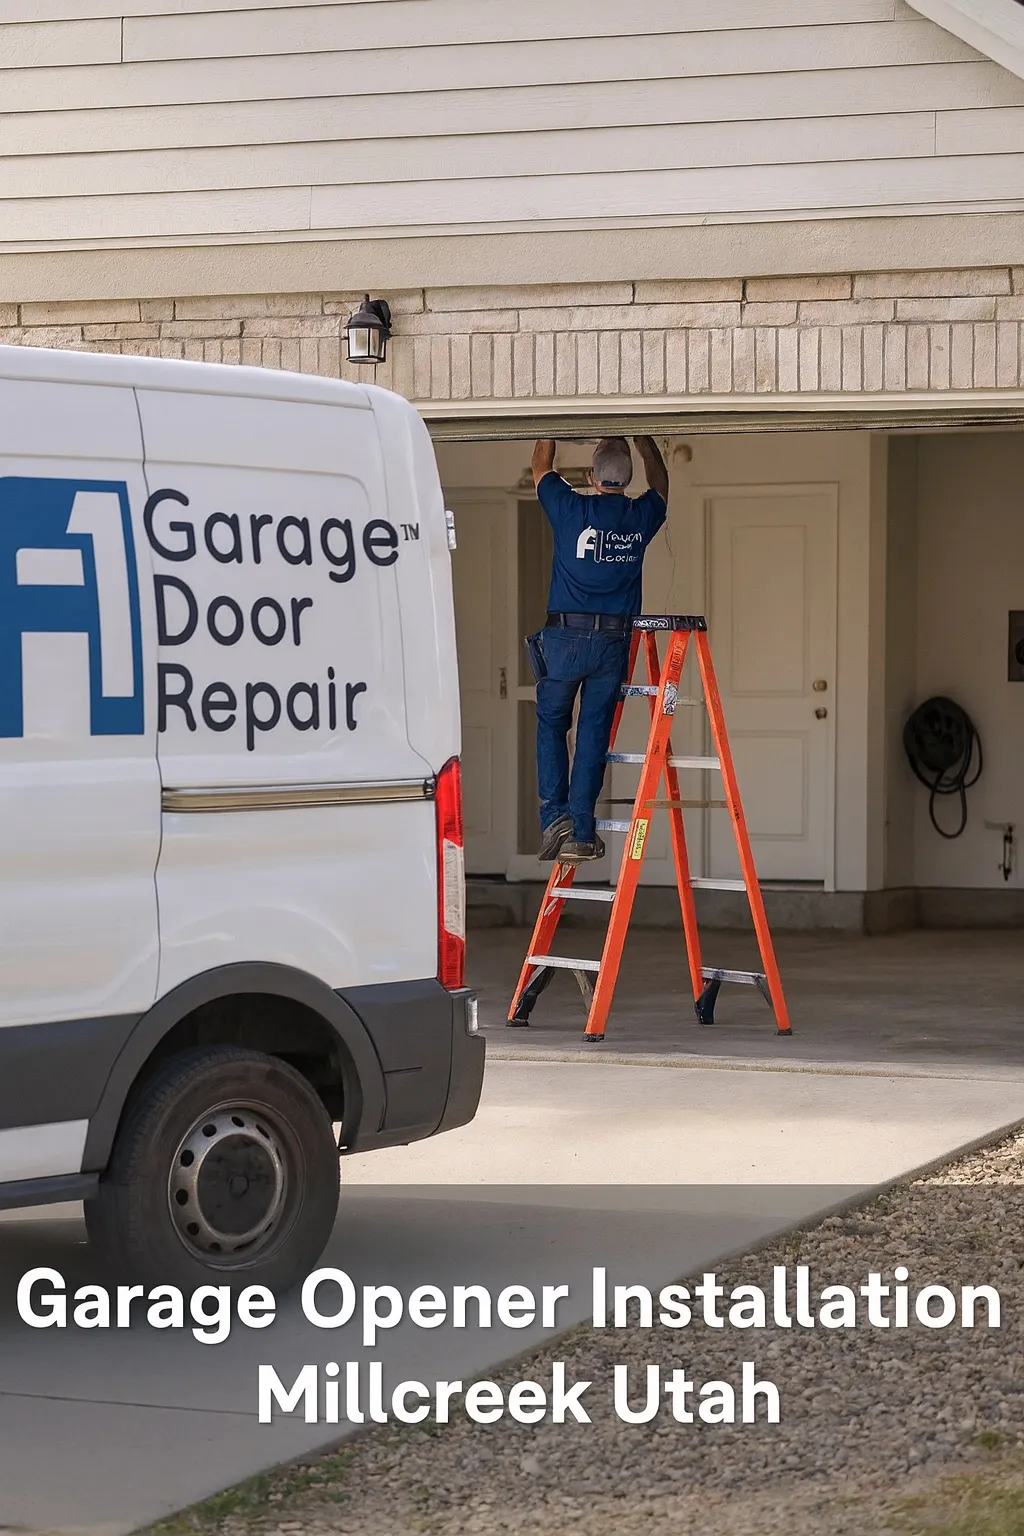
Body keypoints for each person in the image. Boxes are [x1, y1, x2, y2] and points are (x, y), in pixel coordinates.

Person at [527, 435, 668, 863]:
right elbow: (661, 483)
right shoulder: (640, 516)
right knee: (592, 736)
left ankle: (556, 819)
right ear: (627, 480)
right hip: (612, 642)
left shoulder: (571, 508)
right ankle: (583, 833)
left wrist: (551, 425)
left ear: (590, 477)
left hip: (566, 638)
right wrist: (644, 439)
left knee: (552, 723)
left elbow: (540, 465)